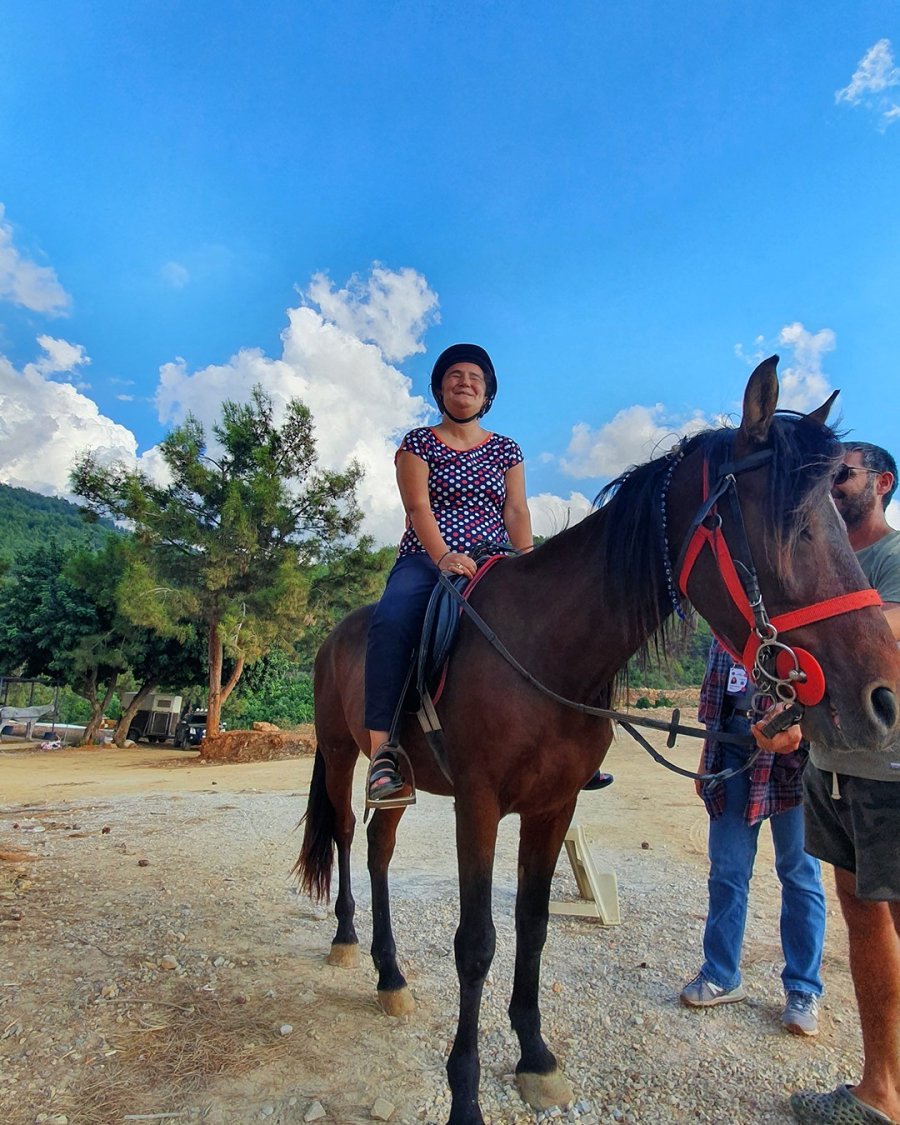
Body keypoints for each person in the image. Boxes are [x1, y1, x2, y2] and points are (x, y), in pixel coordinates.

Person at [363, 343, 534, 807]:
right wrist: (442, 556)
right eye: (455, 375)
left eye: (475, 378)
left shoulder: (507, 450)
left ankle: (571, 735)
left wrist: (528, 562)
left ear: (487, 393)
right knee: (391, 621)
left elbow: (516, 511)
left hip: (496, 559)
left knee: (551, 618)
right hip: (427, 557)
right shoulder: (418, 443)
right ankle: (383, 754)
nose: (465, 382)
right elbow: (418, 506)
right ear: (440, 388)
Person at [785, 442, 900, 1125]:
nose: (832, 483)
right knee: (863, 918)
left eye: (844, 473)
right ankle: (880, 1087)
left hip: (892, 769)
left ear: (882, 482)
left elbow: (879, 633)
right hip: (834, 767)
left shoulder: (893, 556)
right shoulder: (828, 562)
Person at [679, 637, 826, 1036]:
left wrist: (802, 726)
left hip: (795, 758)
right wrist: (707, 757)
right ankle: (721, 974)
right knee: (726, 868)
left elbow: (827, 689)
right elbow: (716, 697)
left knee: (799, 871)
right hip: (733, 745)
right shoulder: (726, 623)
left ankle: (803, 988)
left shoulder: (800, 620)